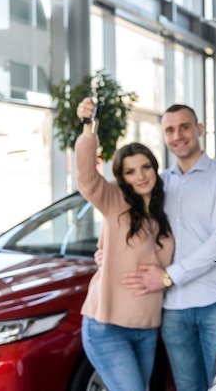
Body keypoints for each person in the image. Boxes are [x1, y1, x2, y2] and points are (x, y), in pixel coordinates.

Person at [121, 104, 216, 391]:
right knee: (187, 387)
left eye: (184, 127)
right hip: (173, 307)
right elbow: (138, 229)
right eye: (169, 130)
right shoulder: (160, 182)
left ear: (199, 129)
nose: (177, 135)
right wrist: (108, 252)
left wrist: (169, 275)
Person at [75, 98, 174, 391]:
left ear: (155, 168)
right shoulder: (114, 202)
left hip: (146, 328)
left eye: (145, 167)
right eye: (130, 171)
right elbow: (86, 177)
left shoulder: (162, 213)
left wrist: (166, 278)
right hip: (107, 327)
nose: (141, 176)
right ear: (122, 177)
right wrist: (87, 127)